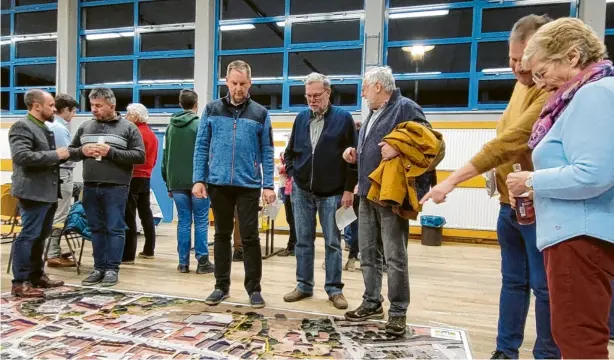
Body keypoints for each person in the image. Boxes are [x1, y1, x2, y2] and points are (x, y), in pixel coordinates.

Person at [420, 15, 559, 359]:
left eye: (522, 60)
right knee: (513, 282)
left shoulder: (551, 94)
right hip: (508, 205)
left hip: (539, 206)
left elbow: (511, 142)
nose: (515, 68)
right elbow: (504, 135)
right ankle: (504, 350)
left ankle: (546, 353)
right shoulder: (520, 84)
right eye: (511, 59)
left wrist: (451, 180)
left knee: (544, 288)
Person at [507, 18, 614, 358]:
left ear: (571, 57)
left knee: (578, 338)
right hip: (577, 232)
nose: (538, 85)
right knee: (575, 334)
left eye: (541, 73)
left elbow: (593, 174)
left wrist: (532, 181)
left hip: (580, 237)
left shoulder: (594, 94)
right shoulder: (585, 94)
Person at [342, 66, 428, 336]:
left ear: (378, 87)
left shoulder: (406, 107)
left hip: (391, 195)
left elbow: (429, 144)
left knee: (394, 256)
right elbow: (377, 150)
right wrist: (357, 155)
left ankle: (398, 311)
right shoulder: (373, 113)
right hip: (367, 193)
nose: (363, 93)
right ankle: (371, 302)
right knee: (367, 252)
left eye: (365, 87)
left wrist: (399, 147)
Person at [193, 60, 276, 308]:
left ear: (250, 83)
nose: (238, 88)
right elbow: (201, 146)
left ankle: (254, 289)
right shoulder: (211, 109)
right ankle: (221, 286)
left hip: (248, 184)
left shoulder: (260, 113)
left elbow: (267, 151)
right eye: (234, 83)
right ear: (226, 82)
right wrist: (198, 178)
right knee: (221, 235)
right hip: (218, 183)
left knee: (250, 237)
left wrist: (268, 185)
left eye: (242, 83)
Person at [283, 72, 357, 310]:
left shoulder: (344, 119)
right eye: (308, 96)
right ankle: (304, 285)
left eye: (317, 95)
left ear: (328, 93)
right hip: (302, 191)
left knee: (333, 242)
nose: (312, 100)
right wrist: (295, 174)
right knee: (303, 242)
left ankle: (334, 289)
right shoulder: (301, 118)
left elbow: (354, 159)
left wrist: (348, 190)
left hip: (333, 193)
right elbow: (290, 151)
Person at [68, 88, 145, 287]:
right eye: (92, 105)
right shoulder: (85, 127)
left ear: (112, 105)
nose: (94, 110)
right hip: (91, 186)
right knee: (95, 228)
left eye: (98, 106)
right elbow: (71, 152)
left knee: (115, 228)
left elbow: (139, 156)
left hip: (116, 187)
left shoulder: (128, 128)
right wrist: (83, 150)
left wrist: (112, 152)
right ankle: (98, 267)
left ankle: (112, 269)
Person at [8, 89, 67, 297]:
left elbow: (53, 156)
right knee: (28, 236)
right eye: (51, 105)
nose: (54, 109)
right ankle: (20, 282)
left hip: (48, 192)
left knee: (41, 236)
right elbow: (22, 156)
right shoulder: (22, 126)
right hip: (32, 192)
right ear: (37, 106)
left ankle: (36, 275)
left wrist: (79, 151)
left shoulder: (45, 128)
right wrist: (55, 154)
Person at [162, 89, 214, 274]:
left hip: (176, 183)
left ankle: (183, 263)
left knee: (183, 222)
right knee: (200, 221)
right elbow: (208, 155)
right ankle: (202, 262)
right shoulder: (201, 125)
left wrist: (168, 182)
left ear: (179, 104)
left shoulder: (170, 128)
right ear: (196, 104)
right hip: (198, 183)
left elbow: (165, 157)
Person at [45, 93, 79, 268]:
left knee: (54, 214)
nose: (72, 116)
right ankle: (52, 253)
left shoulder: (50, 125)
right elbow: (66, 155)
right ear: (65, 109)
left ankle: (52, 249)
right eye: (72, 112)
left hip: (55, 174)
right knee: (60, 215)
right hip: (62, 173)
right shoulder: (59, 127)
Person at [122, 103, 158, 263]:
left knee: (129, 215)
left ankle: (128, 254)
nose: (125, 117)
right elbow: (154, 158)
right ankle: (149, 249)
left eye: (128, 114)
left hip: (133, 176)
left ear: (135, 117)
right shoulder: (152, 135)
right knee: (146, 214)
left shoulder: (134, 134)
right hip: (146, 177)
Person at [277, 152, 297, 257]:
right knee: (291, 218)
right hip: (286, 188)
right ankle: (293, 245)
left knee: (292, 218)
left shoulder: (292, 154)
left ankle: (292, 246)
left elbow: (284, 169)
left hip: (291, 188)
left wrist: (283, 167)